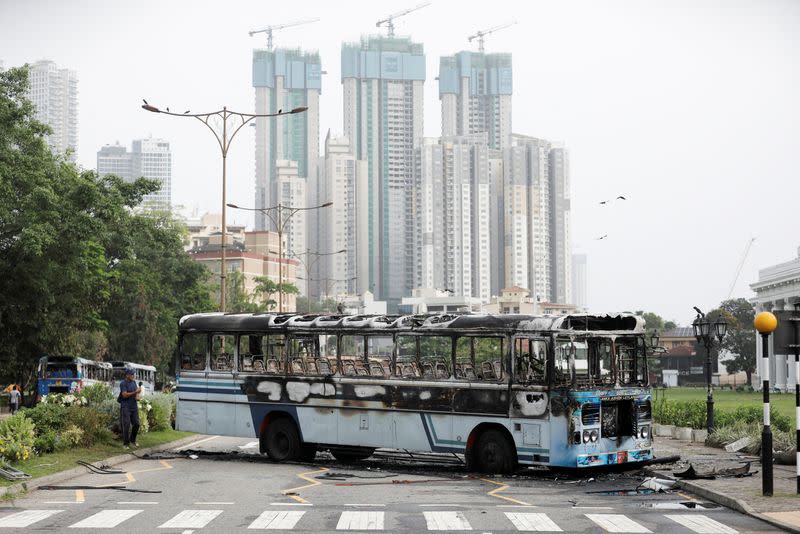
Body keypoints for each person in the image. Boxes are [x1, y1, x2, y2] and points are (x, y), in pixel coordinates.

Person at [119, 368, 141, 450]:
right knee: (126, 425)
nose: (133, 375)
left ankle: (132, 440)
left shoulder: (134, 382)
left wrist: (138, 395)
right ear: (127, 375)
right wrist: (135, 392)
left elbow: (136, 394)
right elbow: (124, 395)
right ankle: (125, 444)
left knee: (137, 424)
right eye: (131, 374)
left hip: (134, 406)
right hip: (125, 407)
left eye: (133, 374)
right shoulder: (123, 383)